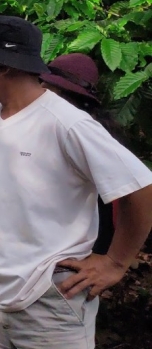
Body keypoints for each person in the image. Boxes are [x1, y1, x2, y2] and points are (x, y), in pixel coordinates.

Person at [0, 16, 152, 349]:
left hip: (51, 292)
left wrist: (116, 262)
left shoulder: (66, 123)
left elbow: (139, 187)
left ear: (5, 66)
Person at [40, 53, 120, 254]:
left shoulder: (83, 130)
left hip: (85, 242)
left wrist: (112, 261)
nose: (40, 90)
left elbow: (128, 194)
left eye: (46, 86)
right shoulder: (54, 125)